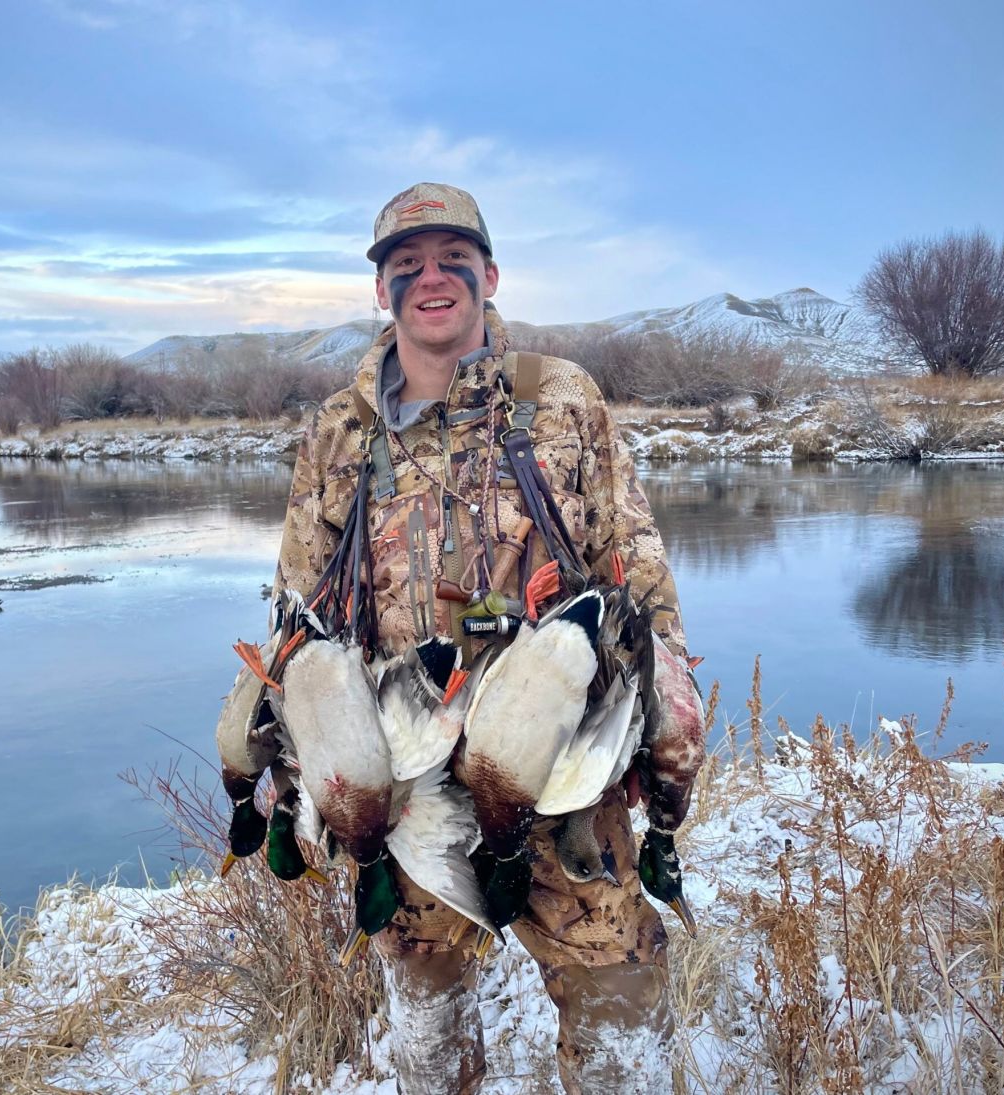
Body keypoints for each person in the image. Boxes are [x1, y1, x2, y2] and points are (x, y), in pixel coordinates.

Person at [272, 182, 704, 1095]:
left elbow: (633, 561)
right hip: (406, 783)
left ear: (490, 275)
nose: (431, 278)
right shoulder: (338, 431)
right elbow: (298, 607)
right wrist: (296, 757)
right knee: (427, 1028)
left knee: (620, 1007)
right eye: (407, 264)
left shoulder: (563, 398)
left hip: (562, 765)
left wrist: (665, 712)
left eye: (453, 260)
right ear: (382, 289)